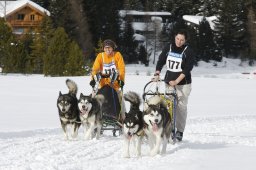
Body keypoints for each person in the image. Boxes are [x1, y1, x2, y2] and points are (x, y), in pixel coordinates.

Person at [153, 29, 194, 142]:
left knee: (181, 107)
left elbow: (187, 69)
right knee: (169, 106)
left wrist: (176, 81)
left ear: (185, 41)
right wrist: (157, 73)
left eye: (182, 40)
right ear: (174, 37)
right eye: (177, 39)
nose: (179, 41)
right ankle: (169, 128)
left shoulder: (188, 51)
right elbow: (161, 60)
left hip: (183, 84)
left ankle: (180, 131)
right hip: (169, 83)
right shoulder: (169, 47)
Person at [90, 39, 126, 120]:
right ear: (103, 48)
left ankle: (122, 118)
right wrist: (93, 79)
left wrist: (121, 80)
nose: (107, 50)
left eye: (109, 48)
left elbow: (121, 69)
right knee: (92, 99)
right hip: (102, 84)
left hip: (115, 84)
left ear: (113, 48)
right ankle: (92, 118)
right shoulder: (100, 56)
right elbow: (95, 69)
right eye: (106, 48)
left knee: (121, 100)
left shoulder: (117, 55)